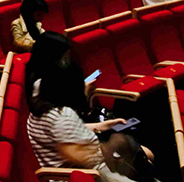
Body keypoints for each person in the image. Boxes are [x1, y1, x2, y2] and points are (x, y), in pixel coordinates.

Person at [23, 32, 143, 174]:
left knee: (140, 153)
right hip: (89, 172)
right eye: (64, 58)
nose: (66, 61)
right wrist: (114, 146)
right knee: (138, 153)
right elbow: (81, 156)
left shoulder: (44, 99)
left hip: (90, 158)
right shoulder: (57, 112)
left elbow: (68, 130)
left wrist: (103, 126)